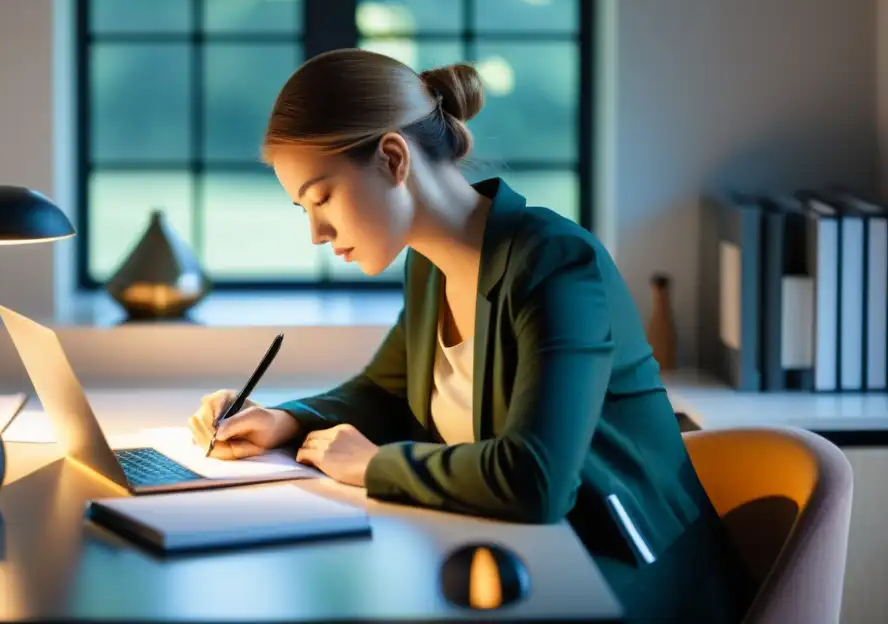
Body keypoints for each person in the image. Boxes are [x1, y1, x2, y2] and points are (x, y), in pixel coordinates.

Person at [188, 48, 755, 621]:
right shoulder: (429, 266)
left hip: (628, 578)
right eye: (301, 208)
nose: (315, 232)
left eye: (322, 196)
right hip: (519, 561)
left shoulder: (555, 264)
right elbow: (384, 392)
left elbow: (536, 479)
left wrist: (376, 464)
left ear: (392, 158)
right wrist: (284, 420)